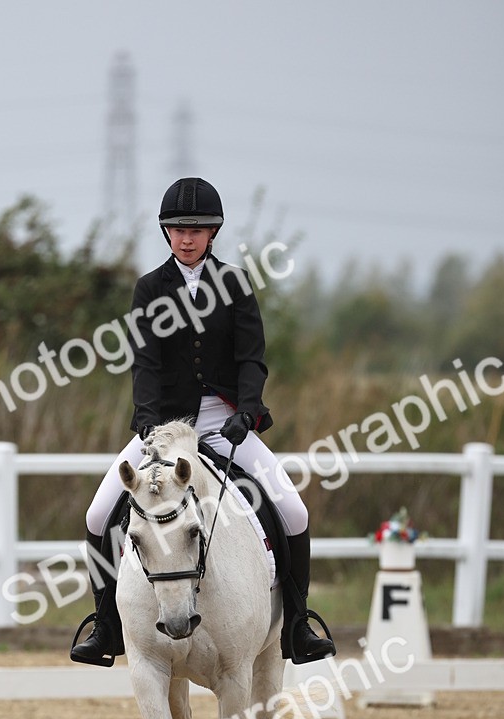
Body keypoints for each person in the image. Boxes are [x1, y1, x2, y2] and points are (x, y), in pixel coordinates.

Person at [70, 176, 335, 668]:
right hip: (165, 431)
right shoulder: (150, 288)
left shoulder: (234, 283)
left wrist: (248, 411)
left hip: (225, 423)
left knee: (294, 511)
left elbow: (251, 359)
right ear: (166, 233)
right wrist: (149, 426)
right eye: (177, 230)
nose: (186, 238)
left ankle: (298, 624)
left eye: (196, 230)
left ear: (212, 233)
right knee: (97, 513)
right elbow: (145, 364)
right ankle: (105, 623)